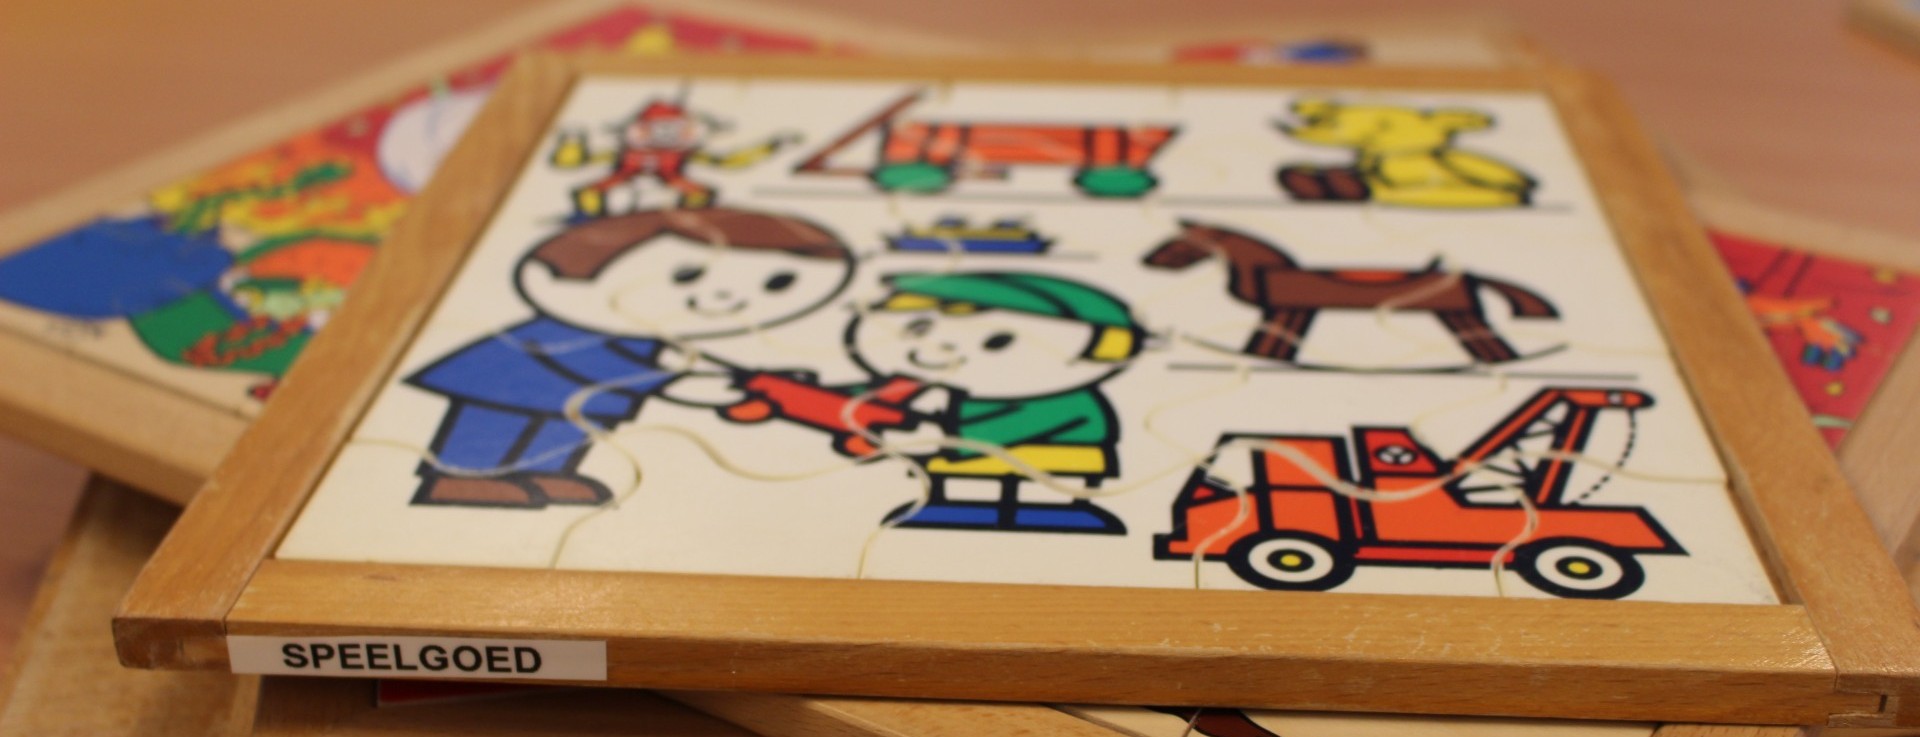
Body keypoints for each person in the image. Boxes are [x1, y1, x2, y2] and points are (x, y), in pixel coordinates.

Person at [406, 207, 853, 508]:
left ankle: (543, 473)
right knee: (495, 424)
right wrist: (682, 379)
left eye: (778, 283)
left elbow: (671, 368)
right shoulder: (570, 331)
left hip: (583, 396)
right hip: (504, 379)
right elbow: (635, 370)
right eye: (686, 273)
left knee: (570, 427)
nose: (727, 297)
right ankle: (460, 477)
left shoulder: (652, 337)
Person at [842, 271, 1144, 534]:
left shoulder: (1066, 400)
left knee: (993, 478)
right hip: (985, 455)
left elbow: (1016, 425)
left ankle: (1035, 510)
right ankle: (951, 503)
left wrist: (940, 435)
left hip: (1057, 456)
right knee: (950, 473)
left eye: (997, 341)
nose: (943, 346)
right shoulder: (940, 390)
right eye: (918, 328)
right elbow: (875, 397)